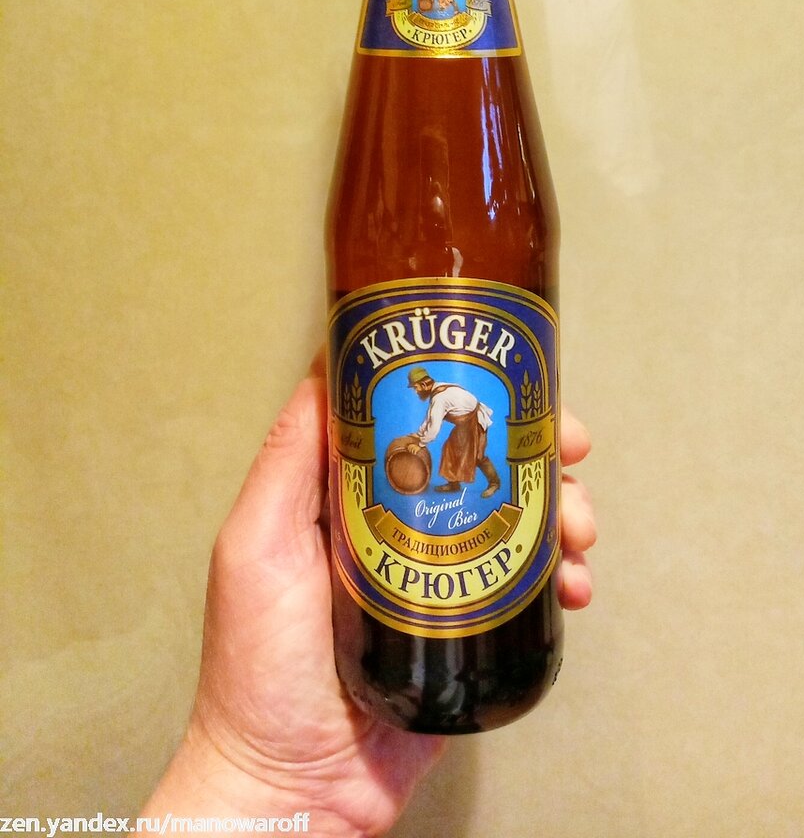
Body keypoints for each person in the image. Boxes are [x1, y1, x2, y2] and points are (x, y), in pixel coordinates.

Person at [140, 351, 596, 836]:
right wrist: (254, 771)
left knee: (473, 450)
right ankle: (467, 483)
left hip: (472, 432)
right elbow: (428, 427)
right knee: (461, 453)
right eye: (419, 389)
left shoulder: (442, 399)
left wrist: (254, 777)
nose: (420, 392)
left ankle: (489, 482)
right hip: (330, 724)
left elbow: (429, 428)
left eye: (419, 387)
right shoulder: (440, 397)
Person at [406, 366, 501, 497]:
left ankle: (494, 483)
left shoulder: (439, 399)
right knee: (449, 449)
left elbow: (434, 427)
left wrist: (421, 444)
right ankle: (453, 484)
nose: (416, 391)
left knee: (477, 456)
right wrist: (419, 434)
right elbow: (430, 417)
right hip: (464, 424)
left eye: (416, 387)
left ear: (423, 385)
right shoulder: (438, 390)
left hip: (475, 421)